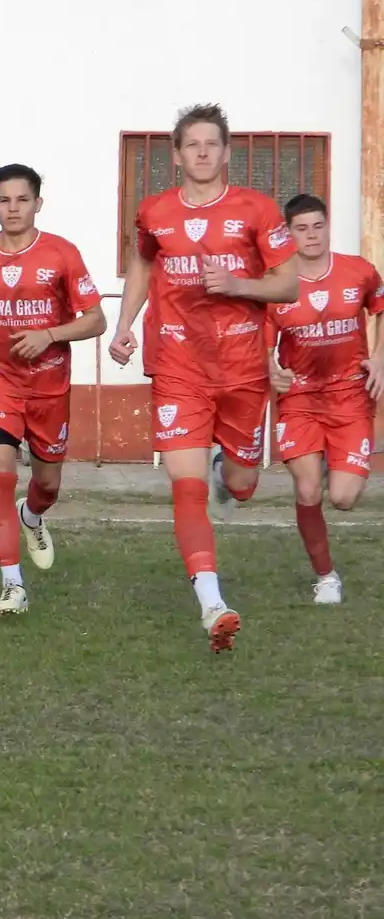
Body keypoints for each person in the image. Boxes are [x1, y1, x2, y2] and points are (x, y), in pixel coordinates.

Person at [110, 103, 298, 652]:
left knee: (240, 485)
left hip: (241, 369)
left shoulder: (256, 210)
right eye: (191, 144)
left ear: (225, 152)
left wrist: (238, 285)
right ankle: (211, 600)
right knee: (184, 487)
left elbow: (287, 284)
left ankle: (229, 473)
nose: (201, 153)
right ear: (176, 154)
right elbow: (144, 263)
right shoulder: (154, 211)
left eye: (211, 144)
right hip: (177, 365)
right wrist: (125, 324)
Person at [0, 164, 106, 616]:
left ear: (38, 203)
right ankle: (12, 585)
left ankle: (32, 515)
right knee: (0, 471)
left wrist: (50, 335)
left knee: (47, 484)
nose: (12, 208)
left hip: (48, 387)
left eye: (22, 200)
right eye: (4, 200)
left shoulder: (62, 254)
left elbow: (96, 319)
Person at [266, 193, 384, 605]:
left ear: (327, 225)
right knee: (308, 489)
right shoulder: (277, 283)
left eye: (317, 226)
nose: (311, 235)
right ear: (289, 233)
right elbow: (262, 341)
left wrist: (380, 358)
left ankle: (340, 459)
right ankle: (326, 576)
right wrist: (270, 369)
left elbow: (381, 306)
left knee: (344, 498)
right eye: (301, 228)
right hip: (299, 398)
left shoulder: (358, 271)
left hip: (350, 395)